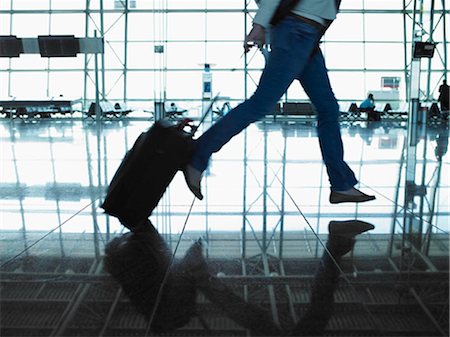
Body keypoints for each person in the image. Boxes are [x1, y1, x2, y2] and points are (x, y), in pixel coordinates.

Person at [183, 0, 375, 205]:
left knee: (328, 109)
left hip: (307, 34)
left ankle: (341, 184)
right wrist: (259, 26)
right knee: (262, 103)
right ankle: (197, 157)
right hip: (297, 31)